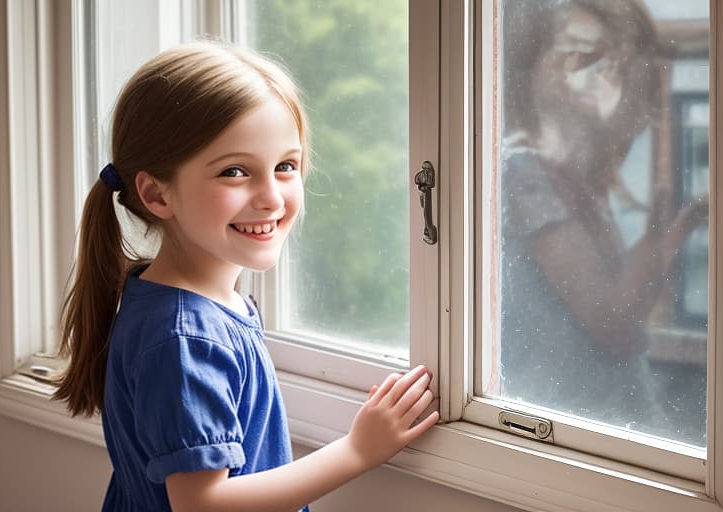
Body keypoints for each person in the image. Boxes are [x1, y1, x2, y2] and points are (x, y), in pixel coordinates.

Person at [52, 41, 439, 511]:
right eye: (235, 172)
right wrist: (358, 450)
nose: (272, 197)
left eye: (285, 166)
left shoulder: (183, 303)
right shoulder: (186, 339)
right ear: (156, 194)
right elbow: (202, 504)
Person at [498, 0, 708, 433]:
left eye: (614, 62)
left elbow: (621, 311)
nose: (600, 76)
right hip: (558, 431)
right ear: (532, 67)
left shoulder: (575, 179)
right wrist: (663, 226)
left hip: (597, 425)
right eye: (577, 54)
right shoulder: (526, 176)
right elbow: (617, 326)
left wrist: (676, 226)